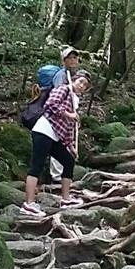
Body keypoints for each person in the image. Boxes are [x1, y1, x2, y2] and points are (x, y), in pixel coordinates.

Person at [21, 74, 90, 216]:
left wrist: (71, 148)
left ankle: (66, 199)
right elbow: (50, 104)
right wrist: (68, 114)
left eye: (85, 86)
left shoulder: (74, 101)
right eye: (81, 82)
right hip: (44, 130)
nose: (82, 86)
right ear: (74, 80)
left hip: (54, 136)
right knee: (37, 166)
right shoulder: (63, 89)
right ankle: (28, 204)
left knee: (68, 161)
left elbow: (68, 130)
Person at [49, 47, 82, 182]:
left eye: (75, 57)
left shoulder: (73, 76)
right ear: (64, 60)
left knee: (66, 142)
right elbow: (57, 96)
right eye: (69, 58)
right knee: (58, 142)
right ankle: (57, 176)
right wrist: (66, 113)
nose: (73, 60)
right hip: (59, 116)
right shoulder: (61, 76)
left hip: (68, 115)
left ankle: (63, 174)